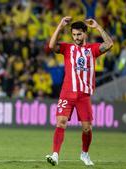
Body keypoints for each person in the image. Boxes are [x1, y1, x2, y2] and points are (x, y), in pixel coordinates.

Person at [46, 16, 113, 166]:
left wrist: (98, 27)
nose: (76, 37)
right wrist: (60, 25)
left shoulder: (92, 50)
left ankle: (84, 154)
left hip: (83, 95)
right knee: (61, 122)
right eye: (74, 35)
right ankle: (55, 154)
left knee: (87, 128)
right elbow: (51, 46)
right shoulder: (67, 48)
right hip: (67, 93)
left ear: (85, 34)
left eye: (79, 34)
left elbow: (109, 44)